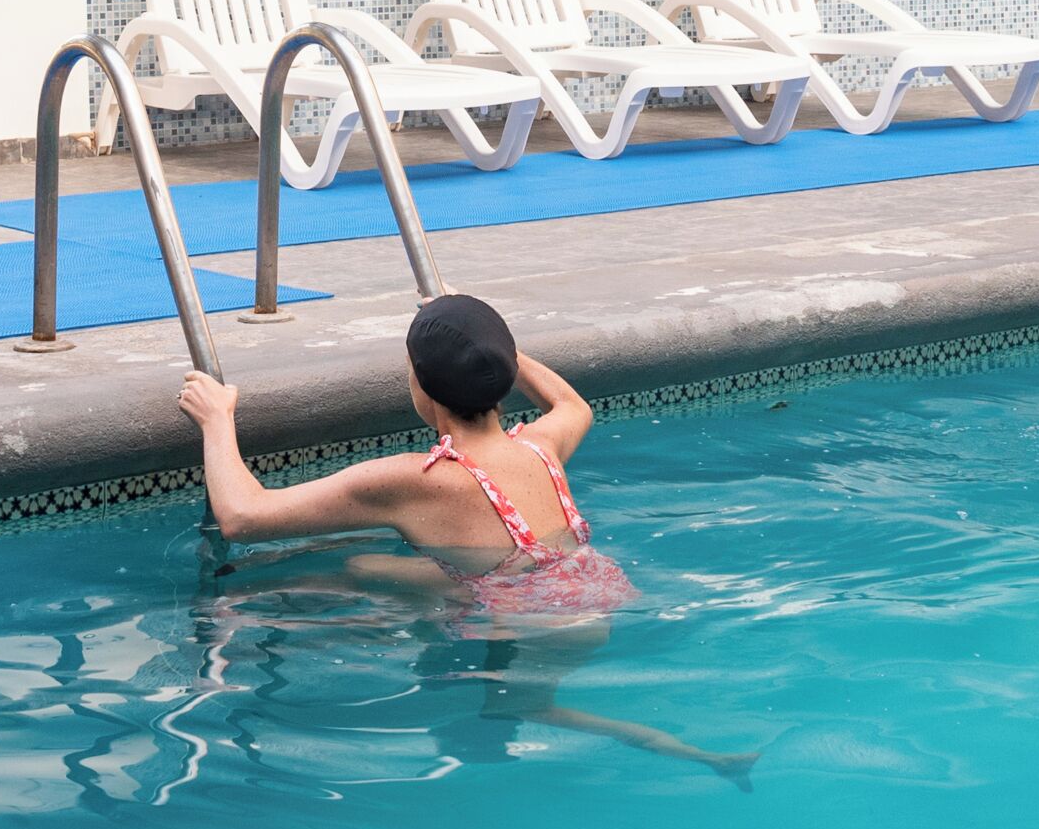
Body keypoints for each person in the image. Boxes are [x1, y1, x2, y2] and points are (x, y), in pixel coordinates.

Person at [178, 294, 754, 781]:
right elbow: (572, 403)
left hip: (525, 619)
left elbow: (243, 516)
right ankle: (700, 755)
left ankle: (690, 754)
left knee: (530, 706)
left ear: (423, 390)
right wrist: (488, 346)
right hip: (589, 596)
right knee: (364, 569)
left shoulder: (416, 481)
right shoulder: (542, 444)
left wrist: (217, 420)